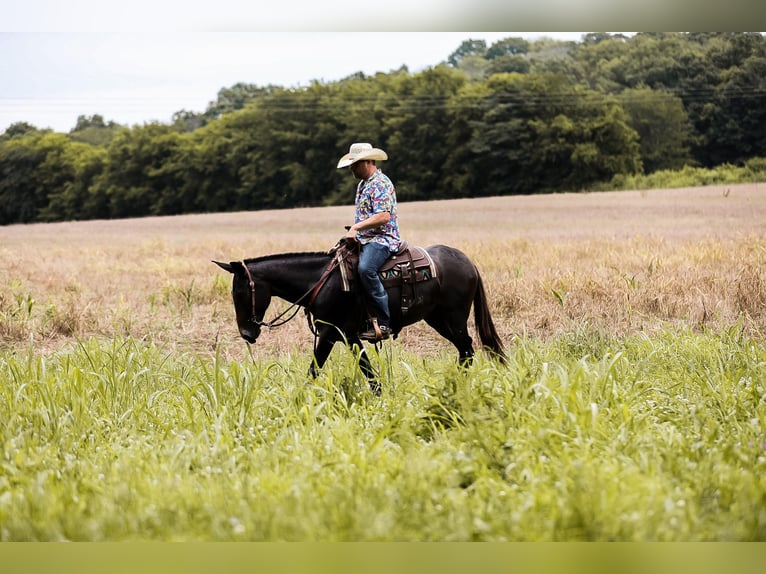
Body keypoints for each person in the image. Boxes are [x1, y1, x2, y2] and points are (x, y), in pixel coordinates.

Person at [337, 142, 401, 342]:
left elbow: (383, 216)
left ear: (367, 162)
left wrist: (356, 228)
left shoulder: (380, 183)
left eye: (354, 164)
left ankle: (383, 322)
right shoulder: (363, 184)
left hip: (382, 239)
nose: (351, 168)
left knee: (366, 269)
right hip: (365, 239)